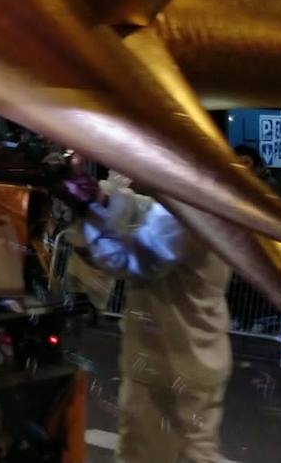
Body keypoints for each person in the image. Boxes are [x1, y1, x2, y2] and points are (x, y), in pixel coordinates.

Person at [63, 171, 231, 463]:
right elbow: (144, 210)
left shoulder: (184, 208)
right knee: (192, 451)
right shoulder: (200, 195)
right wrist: (103, 199)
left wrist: (91, 212)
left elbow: (130, 260)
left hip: (167, 365)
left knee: (144, 454)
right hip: (194, 357)